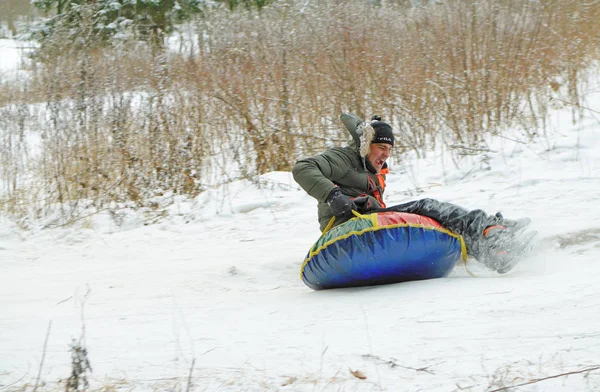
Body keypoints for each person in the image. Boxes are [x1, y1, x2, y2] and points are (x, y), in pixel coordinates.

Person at [292, 114, 531, 274]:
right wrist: (333, 195)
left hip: (364, 214)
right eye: (381, 148)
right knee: (426, 204)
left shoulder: (372, 169)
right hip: (346, 222)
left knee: (436, 219)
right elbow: (303, 167)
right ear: (366, 146)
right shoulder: (342, 158)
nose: (385, 154)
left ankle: (490, 244)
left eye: (389, 150)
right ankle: (489, 230)